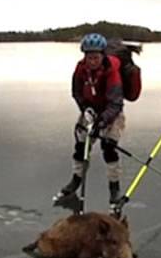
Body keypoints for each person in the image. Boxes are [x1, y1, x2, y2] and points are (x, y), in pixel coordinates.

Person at [53, 33, 125, 209]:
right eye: (89, 57)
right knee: (80, 147)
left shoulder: (111, 72)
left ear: (102, 55)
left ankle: (114, 188)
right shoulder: (80, 69)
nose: (92, 61)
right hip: (90, 112)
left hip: (111, 113)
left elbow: (116, 103)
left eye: (96, 57)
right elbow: (77, 92)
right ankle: (76, 180)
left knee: (108, 148)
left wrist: (102, 123)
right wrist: (85, 109)